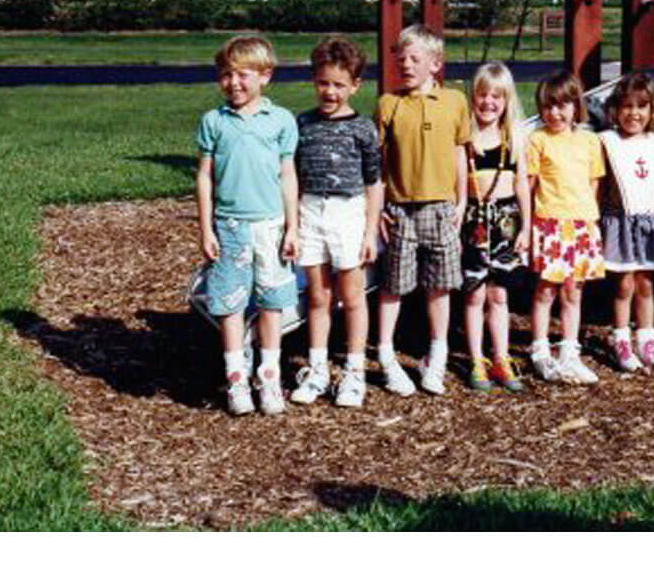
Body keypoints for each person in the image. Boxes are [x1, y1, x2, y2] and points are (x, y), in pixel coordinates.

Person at [195, 36, 299, 416]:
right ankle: (236, 377)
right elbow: (205, 178)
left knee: (272, 303)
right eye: (225, 75)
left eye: (243, 75)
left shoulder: (282, 121)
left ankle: (269, 378)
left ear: (265, 76)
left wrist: (292, 227)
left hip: (271, 227)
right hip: (230, 227)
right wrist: (206, 229)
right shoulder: (213, 122)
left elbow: (288, 174)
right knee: (229, 303)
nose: (233, 83)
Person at [374, 25, 469, 396]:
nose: (406, 65)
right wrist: (380, 206)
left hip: (442, 209)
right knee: (393, 286)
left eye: (415, 59)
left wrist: (461, 202)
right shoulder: (388, 103)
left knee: (439, 286)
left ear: (436, 64)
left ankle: (436, 353)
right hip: (400, 210)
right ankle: (384, 354)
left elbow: (461, 153)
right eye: (402, 59)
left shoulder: (454, 102)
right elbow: (380, 165)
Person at [289, 38, 382, 408]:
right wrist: (292, 225)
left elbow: (375, 182)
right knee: (317, 295)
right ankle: (317, 369)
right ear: (314, 81)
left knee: (352, 296)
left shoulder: (363, 129)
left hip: (349, 213)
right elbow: (292, 177)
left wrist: (370, 232)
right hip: (311, 212)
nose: (330, 91)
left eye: (339, 85)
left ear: (355, 86)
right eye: (324, 83)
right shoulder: (302, 124)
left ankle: (355, 372)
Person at [598, 73, 654, 372]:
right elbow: (601, 185)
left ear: (652, 111)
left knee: (646, 284)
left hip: (649, 222)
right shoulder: (609, 142)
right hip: (620, 224)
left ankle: (646, 338)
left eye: (641, 106)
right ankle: (620, 338)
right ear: (615, 109)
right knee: (624, 285)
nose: (633, 113)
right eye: (626, 106)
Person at [525, 71, 605, 384]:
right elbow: (529, 187)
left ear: (576, 106)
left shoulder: (589, 141)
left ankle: (569, 353)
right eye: (548, 106)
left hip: (582, 226)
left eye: (562, 105)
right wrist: (530, 228)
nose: (554, 113)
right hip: (549, 225)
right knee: (546, 290)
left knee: (573, 292)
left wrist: (589, 222)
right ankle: (540, 350)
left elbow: (593, 183)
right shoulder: (538, 140)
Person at [460, 62, 530, 392]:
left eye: (497, 97)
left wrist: (527, 228)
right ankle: (476, 358)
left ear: (507, 100)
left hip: (506, 222)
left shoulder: (513, 138)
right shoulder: (465, 139)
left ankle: (501, 356)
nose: (489, 102)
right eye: (482, 95)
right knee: (473, 294)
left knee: (499, 294)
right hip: (474, 221)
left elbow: (522, 187)